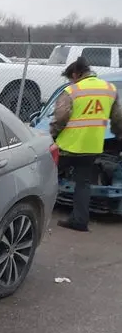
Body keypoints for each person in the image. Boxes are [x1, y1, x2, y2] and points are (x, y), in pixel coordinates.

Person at [50, 57, 122, 231]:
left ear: (75, 74)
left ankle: (41, 212)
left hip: (67, 146)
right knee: (83, 184)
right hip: (92, 147)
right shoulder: (110, 89)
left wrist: (53, 135)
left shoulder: (72, 90)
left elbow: (61, 117)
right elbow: (118, 118)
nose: (71, 81)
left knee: (48, 177)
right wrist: (119, 136)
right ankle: (80, 221)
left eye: (70, 78)